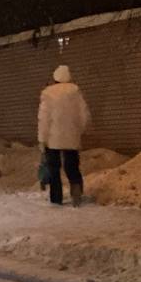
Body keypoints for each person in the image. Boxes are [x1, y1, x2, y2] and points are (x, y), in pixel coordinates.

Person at [38, 64, 92, 206]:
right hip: (71, 136)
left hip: (53, 137)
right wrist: (79, 130)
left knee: (54, 168)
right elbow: (84, 114)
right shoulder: (75, 91)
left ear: (55, 77)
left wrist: (42, 138)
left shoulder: (48, 93)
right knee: (72, 165)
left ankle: (56, 198)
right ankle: (76, 191)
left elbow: (44, 118)